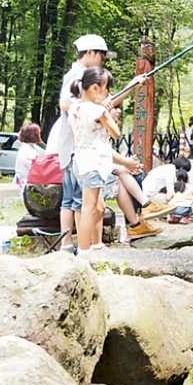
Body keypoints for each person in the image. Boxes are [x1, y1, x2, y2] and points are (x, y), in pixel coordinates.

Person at [45, 34, 153, 249]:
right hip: (77, 150)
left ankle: (82, 246)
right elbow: (67, 104)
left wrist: (129, 88)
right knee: (83, 204)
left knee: (86, 203)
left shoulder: (84, 86)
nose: (102, 62)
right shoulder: (77, 76)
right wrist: (95, 110)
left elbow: (102, 105)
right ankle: (83, 248)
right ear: (91, 53)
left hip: (77, 151)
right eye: (102, 57)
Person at [68, 68, 121, 254]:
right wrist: (108, 115)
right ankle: (83, 251)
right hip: (93, 164)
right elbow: (116, 133)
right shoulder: (98, 111)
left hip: (80, 161)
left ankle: (93, 245)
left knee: (96, 207)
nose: (108, 93)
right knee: (89, 209)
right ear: (95, 88)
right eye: (106, 88)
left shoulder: (75, 107)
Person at [13, 122, 43, 193]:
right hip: (28, 182)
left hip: (24, 181)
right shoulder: (28, 151)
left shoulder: (26, 148)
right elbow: (35, 167)